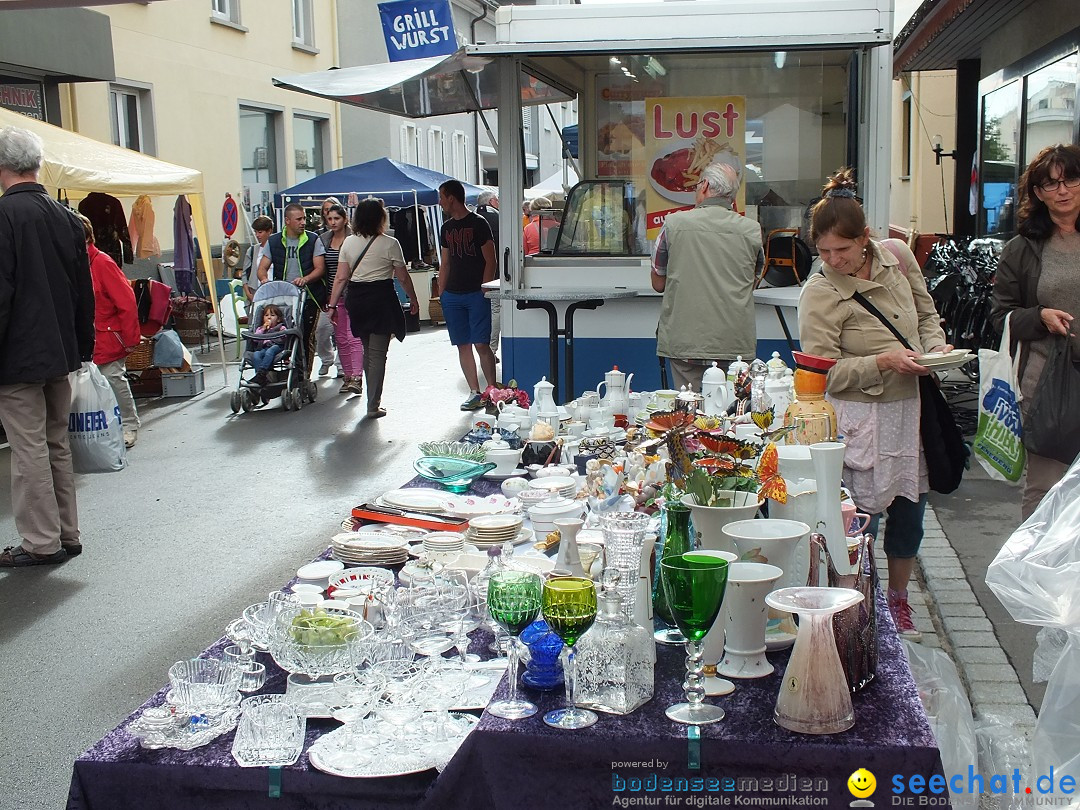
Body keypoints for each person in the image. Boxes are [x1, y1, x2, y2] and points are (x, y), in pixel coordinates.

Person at [798, 167, 952, 641]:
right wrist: (882, 362)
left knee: (911, 511)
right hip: (859, 417)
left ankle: (899, 602)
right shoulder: (820, 292)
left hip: (911, 411)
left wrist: (935, 347)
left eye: (841, 250)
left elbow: (926, 315)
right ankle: (857, 606)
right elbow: (820, 377)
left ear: (865, 238)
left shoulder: (898, 257)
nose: (832, 260)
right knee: (859, 521)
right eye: (822, 252)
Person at [0, 126, 95, 567]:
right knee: (55, 441)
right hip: (62, 349)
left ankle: (41, 541)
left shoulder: (4, 216)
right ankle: (66, 532)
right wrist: (84, 345)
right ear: (36, 165)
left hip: (18, 355)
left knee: (29, 449)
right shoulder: (66, 218)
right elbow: (83, 290)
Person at [991, 143, 1080, 519]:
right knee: (1045, 488)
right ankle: (1028, 575)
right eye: (1050, 184)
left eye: (1070, 180)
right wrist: (1040, 316)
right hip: (1044, 384)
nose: (1062, 191)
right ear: (1038, 193)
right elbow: (1000, 316)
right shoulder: (1022, 248)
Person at [651, 161, 763, 393]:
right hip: (735, 345)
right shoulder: (751, 230)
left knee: (690, 414)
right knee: (734, 414)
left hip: (686, 343)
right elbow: (753, 280)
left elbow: (658, 283)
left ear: (705, 186)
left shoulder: (673, 224)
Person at [327, 197, 419, 418]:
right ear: (380, 218)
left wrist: (332, 306)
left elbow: (340, 278)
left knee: (369, 351)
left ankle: (372, 400)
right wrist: (413, 299)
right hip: (381, 298)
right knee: (377, 354)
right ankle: (372, 405)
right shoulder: (390, 243)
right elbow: (403, 278)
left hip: (357, 299)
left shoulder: (348, 243)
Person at [77, 213, 141, 449]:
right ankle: (104, 426)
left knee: (113, 379)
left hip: (108, 334)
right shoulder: (77, 262)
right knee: (92, 385)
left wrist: (131, 337)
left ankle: (129, 425)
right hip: (90, 335)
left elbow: (126, 301)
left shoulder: (102, 262)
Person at [437, 179, 498, 410]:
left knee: (481, 344)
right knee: (462, 344)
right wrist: (442, 292)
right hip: (453, 294)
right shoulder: (447, 227)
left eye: (442, 197)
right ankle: (474, 391)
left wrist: (485, 287)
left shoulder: (479, 223)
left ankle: (492, 390)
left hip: (475, 293)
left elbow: (490, 258)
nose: (440, 202)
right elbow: (446, 263)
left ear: (451, 197)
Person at [256, 203, 326, 379]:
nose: (303, 222)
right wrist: (265, 281)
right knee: (284, 335)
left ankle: (304, 375)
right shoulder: (274, 241)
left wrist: (306, 279)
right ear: (287, 221)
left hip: (309, 296)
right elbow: (262, 268)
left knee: (306, 335)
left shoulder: (312, 239)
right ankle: (288, 371)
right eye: (299, 219)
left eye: (304, 218)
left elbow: (320, 268)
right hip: (284, 299)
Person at [320, 203, 364, 396]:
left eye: (336, 218)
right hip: (332, 293)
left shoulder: (354, 239)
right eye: (329, 219)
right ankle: (347, 376)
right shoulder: (323, 240)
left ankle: (357, 377)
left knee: (352, 335)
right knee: (340, 338)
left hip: (352, 292)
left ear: (345, 219)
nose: (332, 222)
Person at [313, 198, 342, 378]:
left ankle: (342, 365)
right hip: (327, 289)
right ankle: (326, 358)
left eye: (333, 212)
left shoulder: (350, 236)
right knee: (322, 329)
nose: (330, 216)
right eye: (326, 211)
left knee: (343, 331)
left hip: (345, 290)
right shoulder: (320, 237)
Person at [476, 190, 501, 359]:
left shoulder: (471, 219)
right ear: (492, 201)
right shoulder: (499, 218)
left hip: (474, 276)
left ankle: (483, 348)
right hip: (497, 274)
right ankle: (491, 349)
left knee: (481, 312)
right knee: (496, 309)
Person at [241, 215, 274, 314]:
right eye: (256, 232)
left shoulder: (276, 248)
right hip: (256, 291)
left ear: (269, 231)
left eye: (260, 232)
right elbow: (244, 274)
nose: (257, 235)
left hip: (273, 291)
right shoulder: (252, 250)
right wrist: (248, 293)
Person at [251, 304, 288, 387]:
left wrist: (282, 334)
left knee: (270, 351)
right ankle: (261, 377)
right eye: (266, 315)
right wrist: (263, 329)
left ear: (278, 319)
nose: (269, 317)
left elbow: (286, 336)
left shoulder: (280, 327)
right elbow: (255, 338)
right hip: (264, 347)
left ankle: (262, 372)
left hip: (277, 346)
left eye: (272, 315)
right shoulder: (261, 329)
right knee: (256, 354)